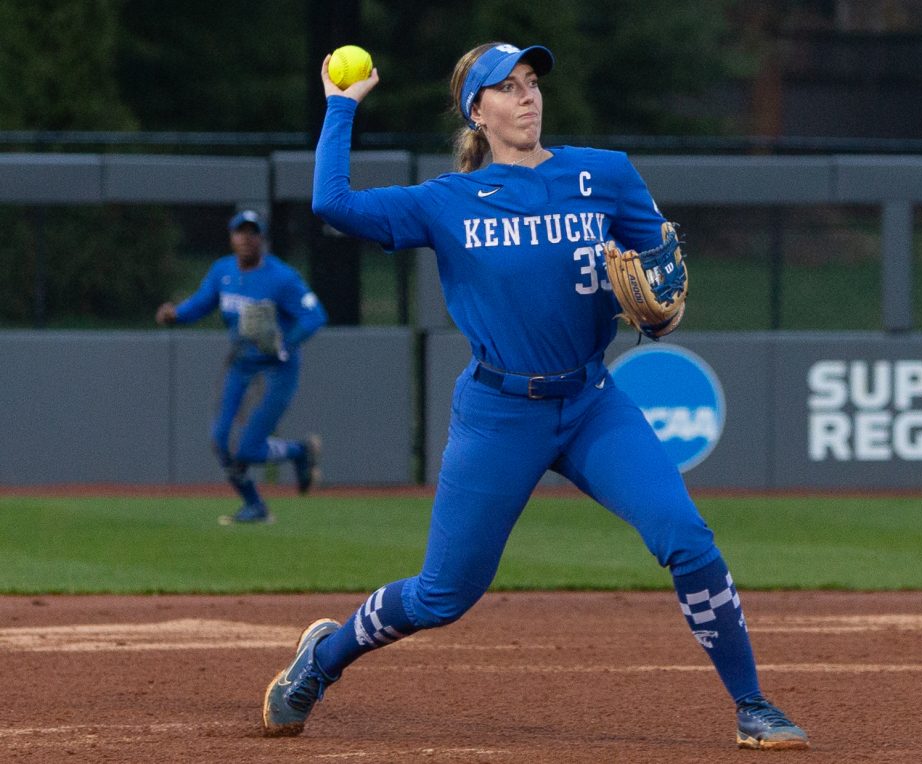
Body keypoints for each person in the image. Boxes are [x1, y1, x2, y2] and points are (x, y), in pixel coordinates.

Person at [261, 42, 809, 750]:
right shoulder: (444, 202)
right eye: (507, 87)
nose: (527, 96)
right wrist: (341, 108)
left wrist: (661, 306)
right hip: (499, 414)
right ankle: (323, 659)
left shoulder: (603, 174)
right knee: (442, 595)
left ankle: (753, 706)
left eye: (530, 82)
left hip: (590, 403)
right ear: (477, 111)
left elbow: (662, 269)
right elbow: (330, 204)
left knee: (688, 539)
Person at [156, 209, 327, 525]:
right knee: (221, 440)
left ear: (262, 238)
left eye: (253, 232)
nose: (246, 238)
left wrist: (285, 343)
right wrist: (176, 314)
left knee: (248, 448)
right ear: (231, 237)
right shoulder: (223, 271)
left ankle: (299, 452)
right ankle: (255, 506)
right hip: (242, 363)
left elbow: (315, 316)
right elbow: (202, 302)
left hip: (276, 368)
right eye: (240, 232)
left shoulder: (282, 278)